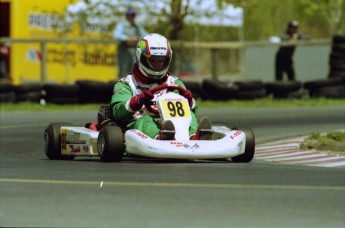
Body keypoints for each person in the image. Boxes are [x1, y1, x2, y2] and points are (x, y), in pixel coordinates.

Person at [111, 33, 213, 140]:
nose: (157, 64)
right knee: (145, 120)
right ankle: (160, 137)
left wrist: (190, 102)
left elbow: (193, 112)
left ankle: (194, 138)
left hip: (170, 122)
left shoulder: (174, 83)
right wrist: (136, 101)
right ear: (141, 57)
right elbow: (117, 112)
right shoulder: (127, 84)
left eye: (161, 60)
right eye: (153, 60)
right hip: (139, 125)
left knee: (189, 116)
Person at [113, 8, 148, 79]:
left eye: (133, 15)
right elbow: (116, 35)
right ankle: (119, 88)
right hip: (124, 51)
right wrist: (128, 38)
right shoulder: (122, 25)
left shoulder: (137, 25)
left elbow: (145, 35)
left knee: (133, 70)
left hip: (134, 51)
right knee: (123, 70)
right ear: (126, 16)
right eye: (130, 15)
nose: (131, 17)